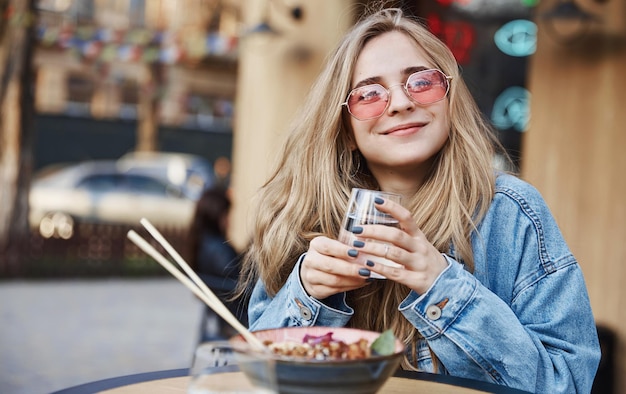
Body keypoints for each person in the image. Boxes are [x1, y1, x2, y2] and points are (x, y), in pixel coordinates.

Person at [235, 6, 600, 394]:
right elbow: (261, 381)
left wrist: (442, 284)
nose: (400, 103)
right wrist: (307, 295)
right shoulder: (307, 218)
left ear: (448, 97)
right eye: (369, 93)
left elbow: (567, 384)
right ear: (344, 127)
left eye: (421, 82)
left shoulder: (510, 212)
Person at [189, 187, 247, 342]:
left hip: (220, 313)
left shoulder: (202, 242)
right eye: (226, 215)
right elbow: (239, 282)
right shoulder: (218, 250)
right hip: (238, 314)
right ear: (216, 215)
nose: (229, 221)